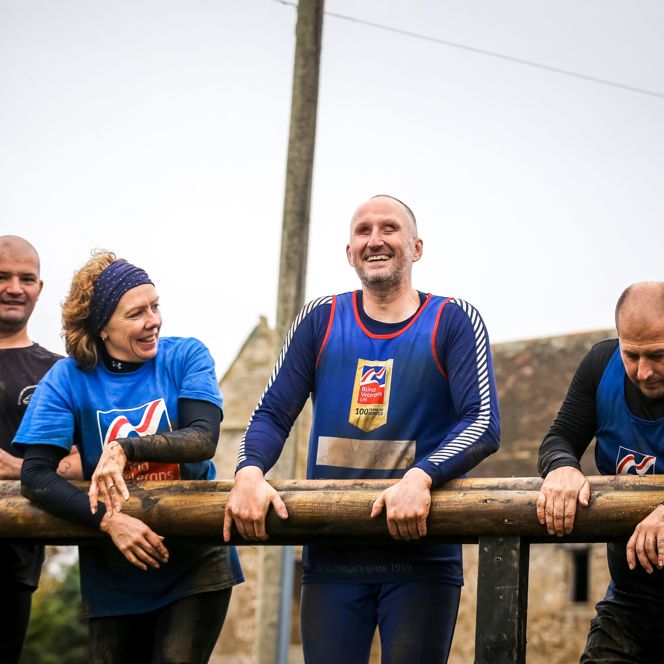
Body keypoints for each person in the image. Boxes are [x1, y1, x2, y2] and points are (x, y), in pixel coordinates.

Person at [223, 195, 500, 663]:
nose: (375, 239)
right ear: (349, 251)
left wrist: (420, 477)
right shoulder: (321, 319)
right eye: (363, 231)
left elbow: (483, 422)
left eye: (389, 228)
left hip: (421, 556)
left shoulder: (453, 320)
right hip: (333, 556)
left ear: (416, 247)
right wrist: (248, 472)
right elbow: (271, 413)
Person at [14, 251, 243, 664]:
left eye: (155, 306)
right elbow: (36, 475)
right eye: (136, 313)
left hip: (192, 561)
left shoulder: (185, 356)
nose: (153, 320)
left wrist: (125, 447)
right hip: (112, 568)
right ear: (102, 327)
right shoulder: (67, 379)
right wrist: (108, 520)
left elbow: (202, 438)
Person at [537, 281, 664, 663]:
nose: (643, 372)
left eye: (658, 355)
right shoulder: (600, 365)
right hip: (630, 599)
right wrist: (562, 469)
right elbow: (558, 437)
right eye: (632, 355)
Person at [0, 235, 82, 664]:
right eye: (2, 276)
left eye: (25, 278)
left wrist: (19, 468)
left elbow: (82, 460)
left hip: (13, 563)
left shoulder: (56, 371)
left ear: (39, 288)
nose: (14, 287)